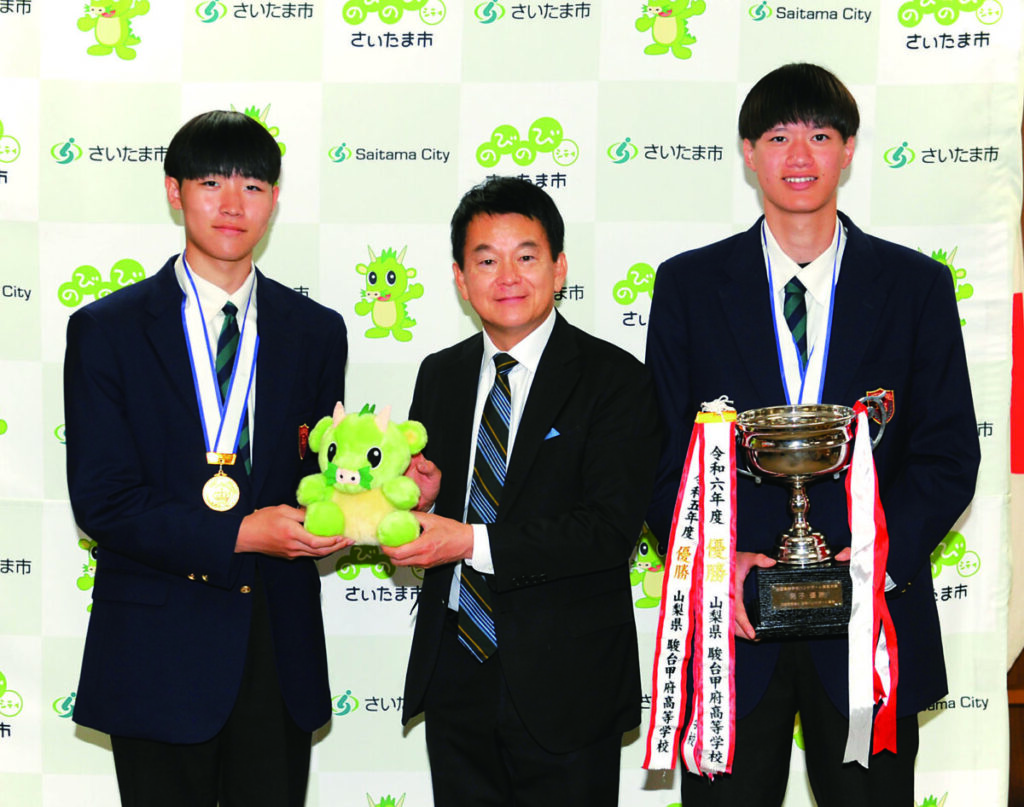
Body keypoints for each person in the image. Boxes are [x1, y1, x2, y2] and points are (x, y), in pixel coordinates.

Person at [645, 63, 980, 806]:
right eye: (778, 137)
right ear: (748, 153)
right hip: (733, 626)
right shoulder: (689, 287)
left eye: (820, 136)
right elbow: (661, 455)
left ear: (849, 149)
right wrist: (718, 564)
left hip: (870, 623)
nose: (799, 157)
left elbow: (950, 452)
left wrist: (877, 557)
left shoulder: (916, 286)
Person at [64, 110, 351, 807]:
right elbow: (103, 499)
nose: (232, 203)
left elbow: (320, 477)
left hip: (277, 648)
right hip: (156, 649)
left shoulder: (316, 331)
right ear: (175, 191)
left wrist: (375, 494)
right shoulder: (107, 330)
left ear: (274, 200)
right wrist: (241, 531)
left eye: (252, 186)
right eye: (211, 182)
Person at [381, 176, 662, 806]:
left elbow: (608, 529)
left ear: (559, 269)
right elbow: (441, 506)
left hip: (568, 681)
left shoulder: (616, 379)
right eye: (486, 260)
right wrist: (424, 502)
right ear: (461, 279)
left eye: (526, 256)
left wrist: (467, 541)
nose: (507, 276)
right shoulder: (440, 374)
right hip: (456, 669)